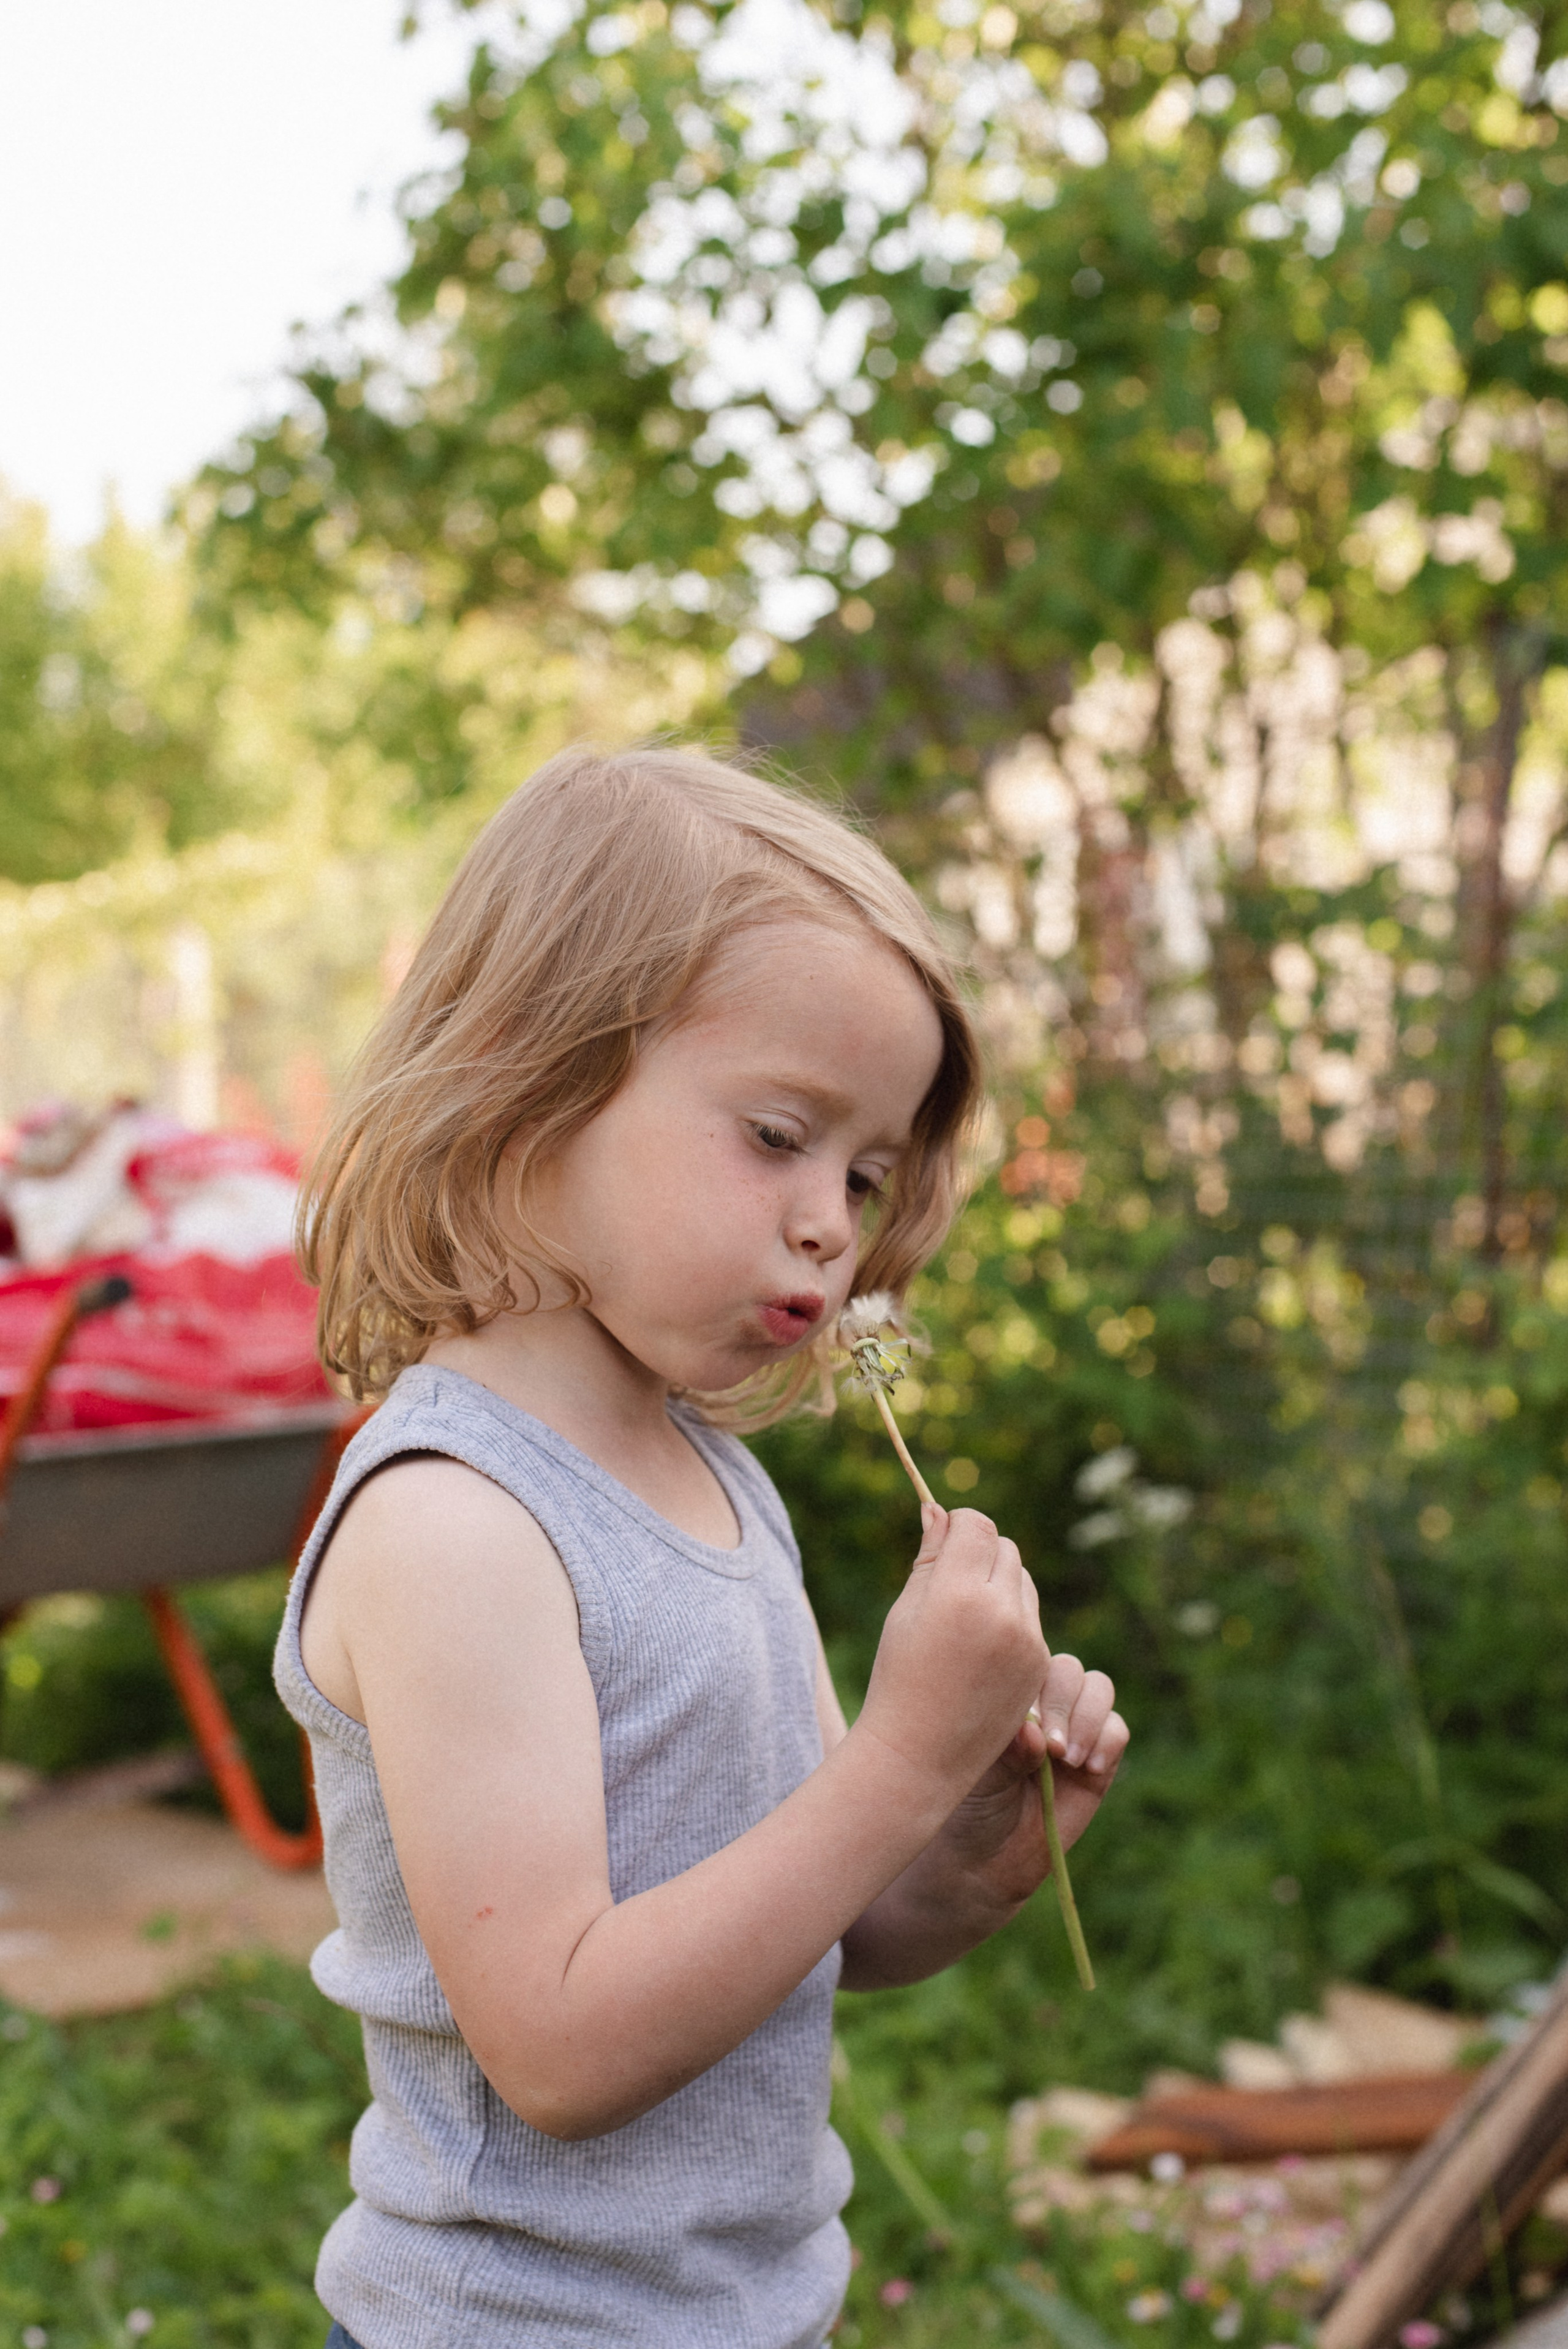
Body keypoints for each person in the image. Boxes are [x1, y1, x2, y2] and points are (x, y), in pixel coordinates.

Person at [275, 744, 1129, 2349]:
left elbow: (835, 1929)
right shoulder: (458, 1523)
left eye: (867, 1172)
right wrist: (895, 1760)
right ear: (538, 1083)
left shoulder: (727, 1488)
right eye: (778, 1134)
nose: (833, 1220)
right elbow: (565, 2047)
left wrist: (969, 1838)